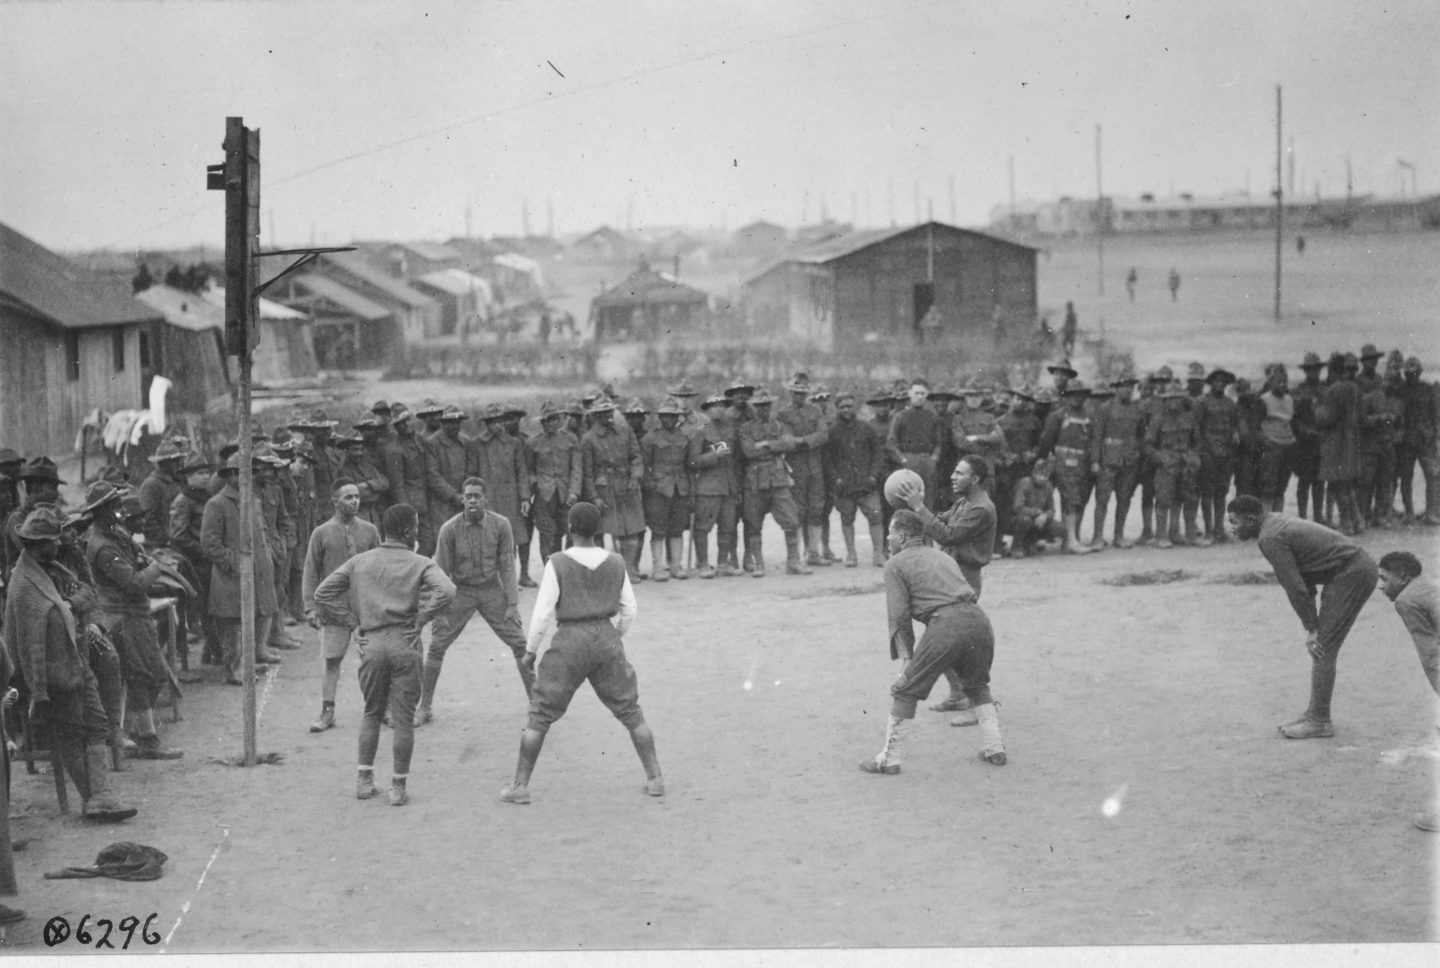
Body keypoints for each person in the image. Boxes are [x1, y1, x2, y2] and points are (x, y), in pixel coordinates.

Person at [498, 502, 663, 805]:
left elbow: (542, 615)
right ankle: (655, 778)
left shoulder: (557, 562)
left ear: (570, 529)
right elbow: (630, 609)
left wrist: (531, 652)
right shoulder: (615, 561)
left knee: (540, 715)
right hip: (606, 638)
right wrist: (614, 636)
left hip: (570, 641)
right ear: (598, 530)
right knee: (630, 710)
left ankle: (520, 785)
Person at [313, 504, 455, 806]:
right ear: (408, 531)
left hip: (372, 643)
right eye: (415, 526)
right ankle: (397, 788)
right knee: (403, 718)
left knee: (371, 712)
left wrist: (353, 624)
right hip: (405, 642)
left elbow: (322, 593)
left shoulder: (360, 562)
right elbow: (447, 590)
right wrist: (421, 620)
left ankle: (364, 780)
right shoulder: (419, 562)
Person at [5, 506, 138, 821]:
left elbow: (88, 593)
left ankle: (102, 795)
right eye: (53, 540)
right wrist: (39, 687)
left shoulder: (55, 568)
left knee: (97, 724)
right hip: (51, 673)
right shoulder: (22, 585)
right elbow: (22, 644)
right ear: (39, 544)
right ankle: (93, 799)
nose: (60, 543)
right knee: (71, 732)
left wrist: (69, 604)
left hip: (77, 661)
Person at [859, 509, 1006, 775]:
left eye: (891, 533)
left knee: (904, 690)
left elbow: (899, 616)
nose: (888, 539)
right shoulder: (942, 556)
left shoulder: (895, 564)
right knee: (977, 685)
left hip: (946, 625)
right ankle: (995, 748)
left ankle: (889, 759)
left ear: (902, 536)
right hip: (979, 621)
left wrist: (906, 661)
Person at [1227, 494, 1378, 740]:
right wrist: (1313, 622)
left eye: (1235, 522)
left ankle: (1320, 721)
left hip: (1352, 572)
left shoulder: (1270, 537)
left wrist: (1312, 628)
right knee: (1323, 645)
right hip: (1348, 570)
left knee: (1323, 647)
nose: (1232, 528)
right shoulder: (1272, 523)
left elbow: (1294, 586)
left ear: (1252, 520)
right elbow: (1303, 576)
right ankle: (1314, 713)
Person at [419, 477, 531, 725]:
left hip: (492, 590)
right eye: (467, 496)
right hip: (461, 592)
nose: (471, 500)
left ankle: (537, 705)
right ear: (462, 498)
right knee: (437, 646)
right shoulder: (449, 528)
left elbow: (507, 567)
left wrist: (512, 605)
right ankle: (424, 707)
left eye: (476, 496)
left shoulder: (501, 525)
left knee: (521, 644)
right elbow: (439, 573)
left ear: (485, 499)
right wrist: (438, 612)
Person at [302, 479, 381, 733]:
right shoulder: (321, 533)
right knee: (331, 660)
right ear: (335, 501)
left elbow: (381, 567)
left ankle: (381, 709)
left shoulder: (369, 531)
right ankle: (327, 712)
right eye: (349, 497)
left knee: (374, 660)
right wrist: (310, 606)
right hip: (333, 609)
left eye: (357, 496)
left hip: (364, 608)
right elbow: (311, 571)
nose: (355, 501)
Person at [201, 454, 284, 684]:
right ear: (228, 476)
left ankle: (248, 661)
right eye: (236, 473)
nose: (241, 477)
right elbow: (209, 543)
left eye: (246, 472)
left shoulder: (253, 499)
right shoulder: (217, 503)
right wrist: (233, 563)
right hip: (232, 575)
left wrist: (269, 553)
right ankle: (234, 667)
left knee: (256, 615)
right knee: (233, 622)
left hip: (257, 570)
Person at [1375, 550, 1439, 832]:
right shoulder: (1428, 585)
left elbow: (1432, 654)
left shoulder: (1405, 599)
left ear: (1402, 577)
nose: (1380, 586)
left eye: (1384, 579)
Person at [739, 389, 808, 576]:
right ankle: (759, 564)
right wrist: (776, 446)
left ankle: (793, 562)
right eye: (760, 406)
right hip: (755, 481)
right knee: (753, 524)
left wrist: (767, 445)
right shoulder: (746, 428)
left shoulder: (780, 425)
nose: (763, 409)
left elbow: (791, 445)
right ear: (754, 407)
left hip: (778, 480)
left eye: (766, 405)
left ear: (771, 406)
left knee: (792, 520)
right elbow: (749, 452)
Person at [581, 397, 647, 580]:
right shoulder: (588, 438)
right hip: (604, 489)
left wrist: (635, 476)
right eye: (603, 413)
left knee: (632, 528)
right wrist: (594, 497)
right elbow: (587, 472)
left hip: (626, 485)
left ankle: (629, 569)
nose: (608, 416)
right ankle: (605, 572)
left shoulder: (626, 431)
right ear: (595, 416)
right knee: (603, 530)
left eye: (610, 412)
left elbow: (636, 457)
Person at [823, 392, 885, 568]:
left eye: (849, 406)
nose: (846, 410)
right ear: (837, 409)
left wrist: (873, 475)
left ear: (855, 407)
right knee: (847, 519)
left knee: (875, 517)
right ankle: (851, 554)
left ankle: (878, 554)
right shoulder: (832, 432)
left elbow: (878, 454)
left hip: (867, 485)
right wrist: (836, 479)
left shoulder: (867, 429)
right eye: (842, 407)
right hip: (845, 487)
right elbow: (827, 460)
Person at [775, 373, 831, 567]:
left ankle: (813, 552)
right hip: (795, 467)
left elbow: (823, 435)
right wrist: (807, 440)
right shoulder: (783, 413)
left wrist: (803, 441)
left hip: (815, 467)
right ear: (790, 392)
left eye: (802, 393)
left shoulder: (815, 410)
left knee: (817, 508)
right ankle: (796, 555)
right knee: (797, 510)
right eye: (795, 392)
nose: (798, 396)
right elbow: (787, 441)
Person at [687, 393, 742, 578]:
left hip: (729, 486)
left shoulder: (731, 430)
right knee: (703, 527)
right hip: (708, 488)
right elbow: (692, 462)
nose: (718, 409)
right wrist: (714, 456)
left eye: (721, 405)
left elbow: (737, 459)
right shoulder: (700, 432)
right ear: (707, 411)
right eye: (713, 406)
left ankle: (722, 563)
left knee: (728, 526)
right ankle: (703, 564)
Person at [640, 397, 693, 581]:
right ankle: (658, 567)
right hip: (659, 490)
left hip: (680, 488)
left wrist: (689, 489)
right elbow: (643, 466)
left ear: (678, 418)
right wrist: (651, 487)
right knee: (658, 528)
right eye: (665, 416)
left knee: (677, 528)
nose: (669, 420)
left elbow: (688, 465)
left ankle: (676, 565)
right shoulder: (650, 438)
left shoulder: (684, 437)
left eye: (673, 416)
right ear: (660, 418)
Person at [1091, 374, 1144, 548]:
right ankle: (1097, 537)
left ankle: (1118, 536)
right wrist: (1095, 461)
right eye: (1123, 386)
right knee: (1102, 500)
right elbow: (1097, 436)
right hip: (1108, 460)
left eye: (1130, 386)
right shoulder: (1105, 408)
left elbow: (1141, 435)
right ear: (1116, 388)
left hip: (1129, 461)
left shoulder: (1137, 410)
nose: (1127, 390)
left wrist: (1136, 455)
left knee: (1124, 499)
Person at [1145, 381, 1200, 548]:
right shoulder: (1157, 419)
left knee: (1188, 498)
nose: (1173, 402)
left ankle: (1187, 535)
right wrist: (1160, 457)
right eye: (1170, 399)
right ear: (1164, 401)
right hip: (1166, 465)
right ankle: (1161, 536)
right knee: (1163, 499)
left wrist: (1193, 454)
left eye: (1177, 399)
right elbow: (1147, 445)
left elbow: (1197, 441)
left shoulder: (1189, 418)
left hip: (1185, 464)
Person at [528, 401, 583, 565]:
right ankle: (551, 572)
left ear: (559, 420)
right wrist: (536, 485)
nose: (551, 423)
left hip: (567, 494)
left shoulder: (571, 439)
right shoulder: (533, 443)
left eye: (554, 419)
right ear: (542, 422)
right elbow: (528, 471)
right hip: (544, 497)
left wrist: (574, 492)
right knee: (548, 536)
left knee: (573, 533)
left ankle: (569, 570)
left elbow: (576, 468)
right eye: (547, 420)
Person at [886, 380, 947, 513]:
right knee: (906, 504)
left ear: (926, 395)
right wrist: (902, 460)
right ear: (909, 394)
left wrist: (934, 459)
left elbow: (938, 443)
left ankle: (927, 533)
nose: (919, 396)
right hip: (908, 463)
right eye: (916, 393)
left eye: (922, 393)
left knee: (928, 503)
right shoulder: (900, 416)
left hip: (927, 462)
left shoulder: (932, 417)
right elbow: (891, 443)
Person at [1195, 368, 1239, 544]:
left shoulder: (1230, 404)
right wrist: (1203, 450)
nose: (1219, 384)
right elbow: (1197, 429)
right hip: (1208, 452)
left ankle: (1220, 528)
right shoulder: (1202, 402)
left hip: (1225, 453)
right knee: (1207, 492)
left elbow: (1234, 426)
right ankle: (1209, 530)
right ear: (1210, 383)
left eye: (1223, 381)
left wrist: (1234, 435)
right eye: (1216, 381)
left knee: (1222, 492)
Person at [1010, 458, 1067, 556]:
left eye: (1045, 475)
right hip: (1018, 519)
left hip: (1039, 519)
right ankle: (1016, 546)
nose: (1042, 478)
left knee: (1061, 528)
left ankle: (1033, 542)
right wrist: (1036, 512)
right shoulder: (1025, 483)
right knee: (1025, 520)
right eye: (1040, 474)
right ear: (1034, 474)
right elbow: (1017, 508)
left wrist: (1044, 516)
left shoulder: (1048, 486)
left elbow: (1052, 509)